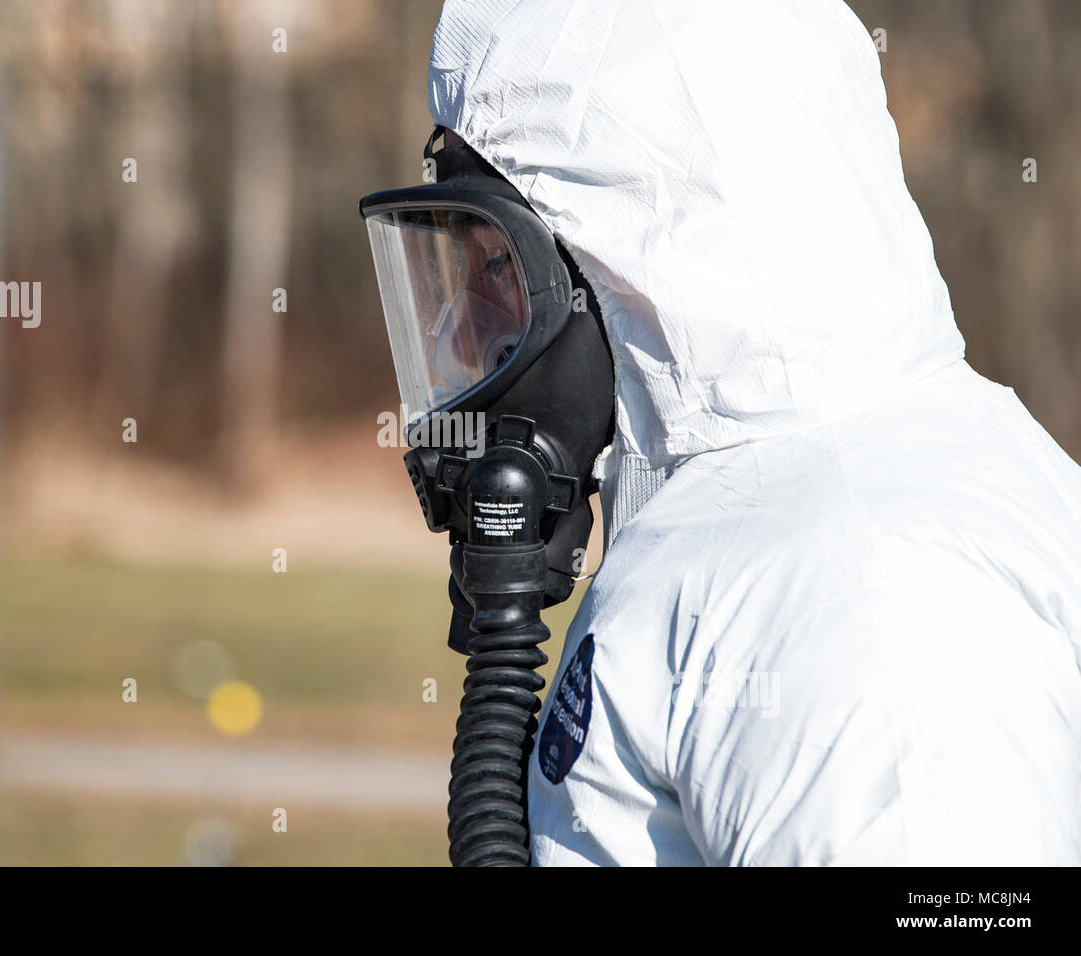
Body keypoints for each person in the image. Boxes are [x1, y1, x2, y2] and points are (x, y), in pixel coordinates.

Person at [422, 0, 1081, 865]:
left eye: (498, 266)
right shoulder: (751, 517)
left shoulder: (864, 593)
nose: (465, 337)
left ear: (631, 257)